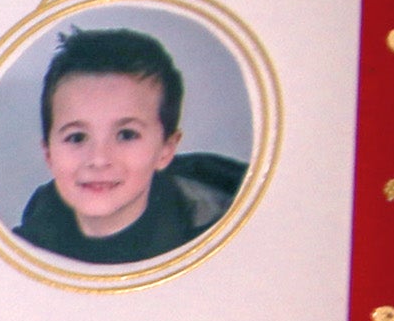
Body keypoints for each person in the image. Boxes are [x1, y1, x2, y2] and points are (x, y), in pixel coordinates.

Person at [13, 25, 245, 266]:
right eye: (77, 137)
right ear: (48, 153)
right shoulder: (24, 252)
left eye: (126, 135)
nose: (99, 159)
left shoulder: (230, 243)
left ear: (166, 150)